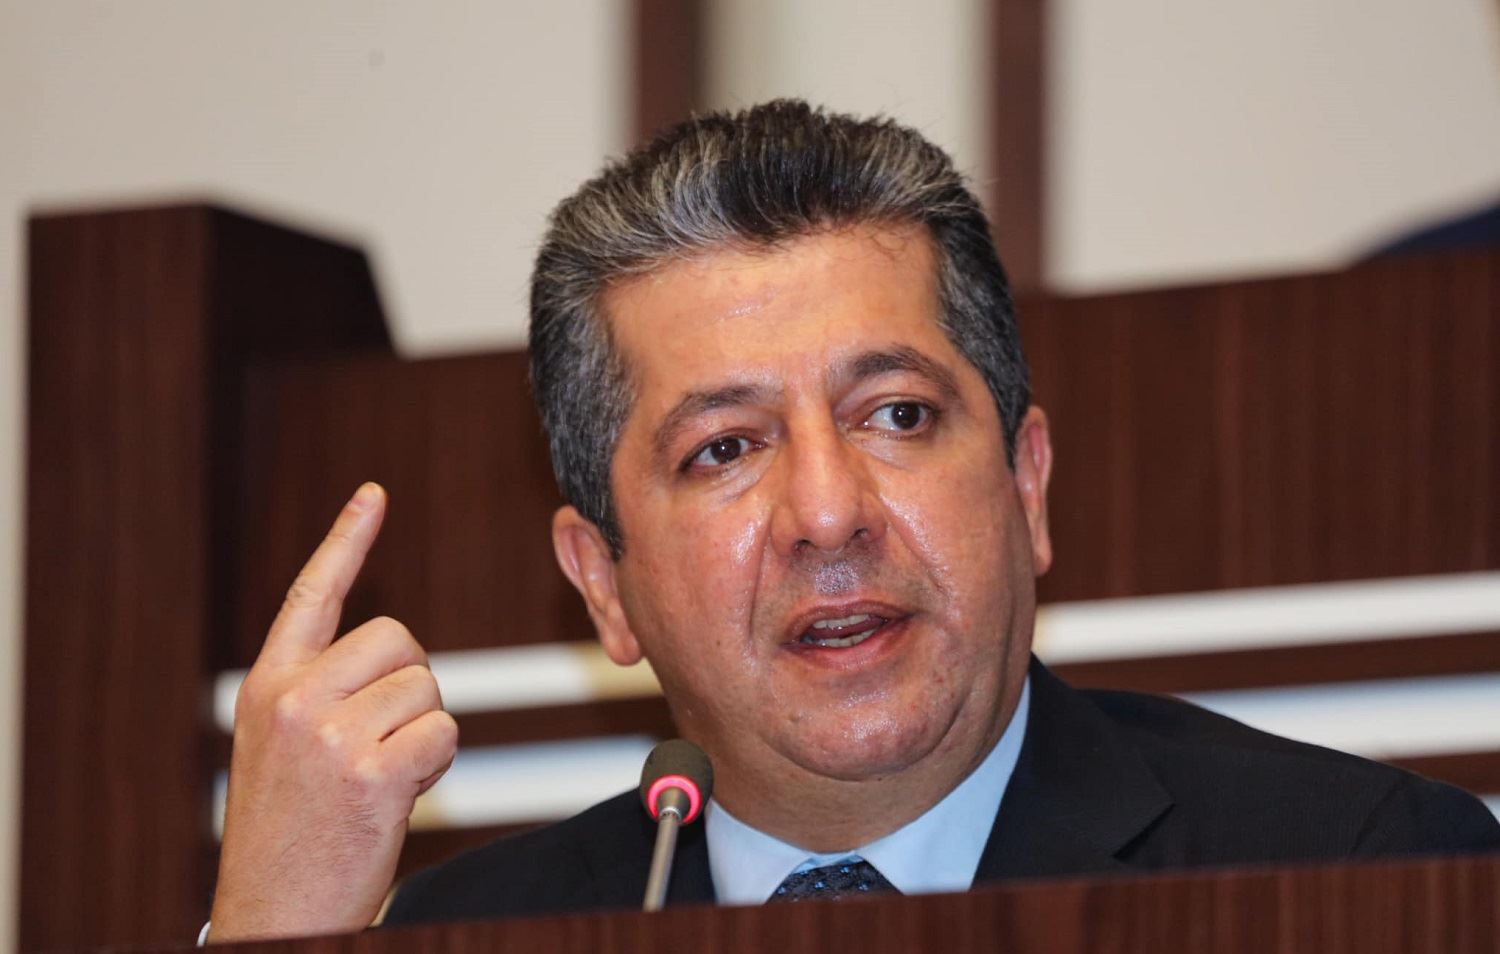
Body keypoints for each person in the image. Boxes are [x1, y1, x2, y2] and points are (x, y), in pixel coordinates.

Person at [205, 100, 1500, 942]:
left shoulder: (1358, 881)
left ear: (1027, 485)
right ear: (603, 584)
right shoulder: (473, 933)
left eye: (896, 415)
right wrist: (273, 938)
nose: (827, 513)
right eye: (724, 447)